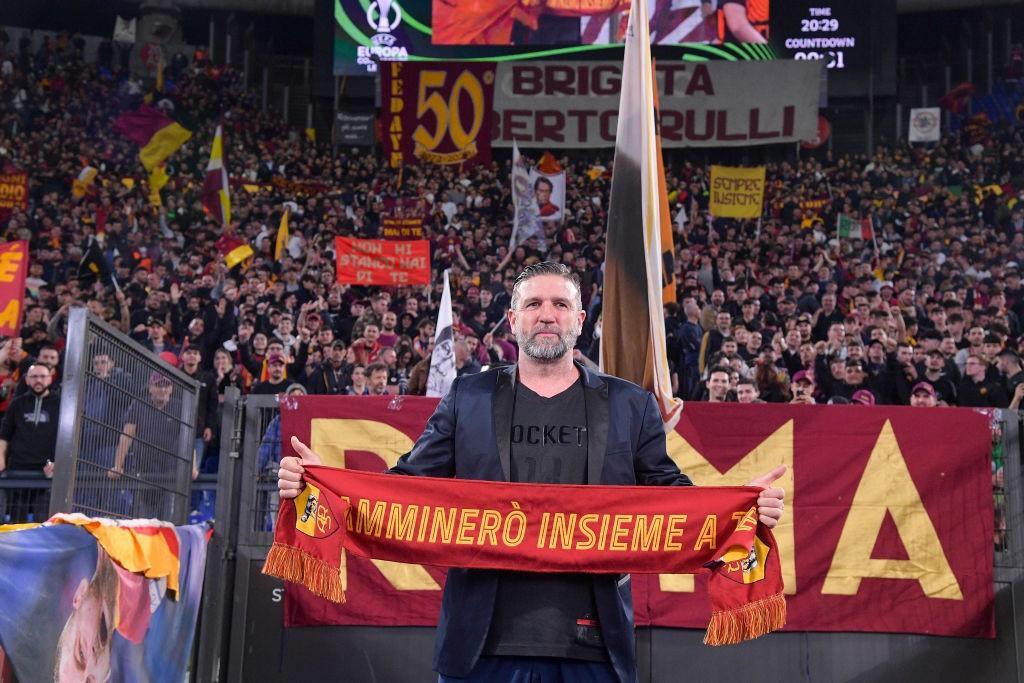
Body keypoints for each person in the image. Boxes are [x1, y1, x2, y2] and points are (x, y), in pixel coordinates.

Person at [277, 262, 785, 683]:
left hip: (594, 647)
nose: (548, 316)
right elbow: (405, 484)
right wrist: (327, 485)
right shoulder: (469, 397)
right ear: (513, 320)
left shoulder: (630, 405)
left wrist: (741, 509)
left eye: (560, 305)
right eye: (535, 305)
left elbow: (673, 499)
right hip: (479, 646)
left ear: (580, 319)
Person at [0, 363, 60, 522]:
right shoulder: (17, 403)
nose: (38, 380)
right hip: (18, 467)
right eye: (34, 377)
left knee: (44, 521)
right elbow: (4, 435)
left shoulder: (60, 404)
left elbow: (66, 438)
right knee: (17, 521)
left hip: (46, 468)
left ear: (50, 379)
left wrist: (58, 463)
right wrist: (0, 459)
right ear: (26, 380)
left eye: (42, 376)